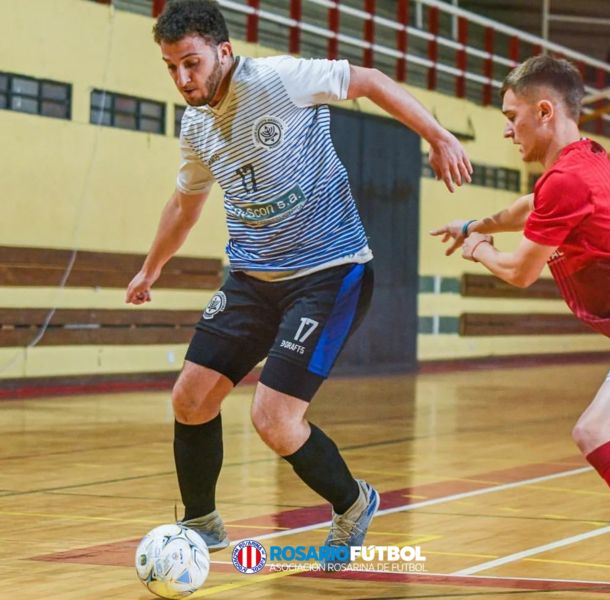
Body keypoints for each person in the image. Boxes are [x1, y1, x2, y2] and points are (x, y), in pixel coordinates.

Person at [126, 0, 472, 570]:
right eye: (171, 67)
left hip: (330, 272)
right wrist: (151, 266)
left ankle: (354, 502)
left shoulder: (280, 78)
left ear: (223, 52)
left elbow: (369, 81)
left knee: (274, 419)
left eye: (191, 62)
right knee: (190, 398)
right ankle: (201, 526)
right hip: (253, 278)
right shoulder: (195, 126)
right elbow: (186, 204)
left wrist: (436, 135)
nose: (182, 78)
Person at [433, 55, 610, 599]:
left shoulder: (569, 179)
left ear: (544, 111)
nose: (507, 129)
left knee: (596, 431)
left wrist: (481, 249)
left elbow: (520, 270)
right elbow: (525, 207)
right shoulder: (585, 163)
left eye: (513, 116)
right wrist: (474, 223)